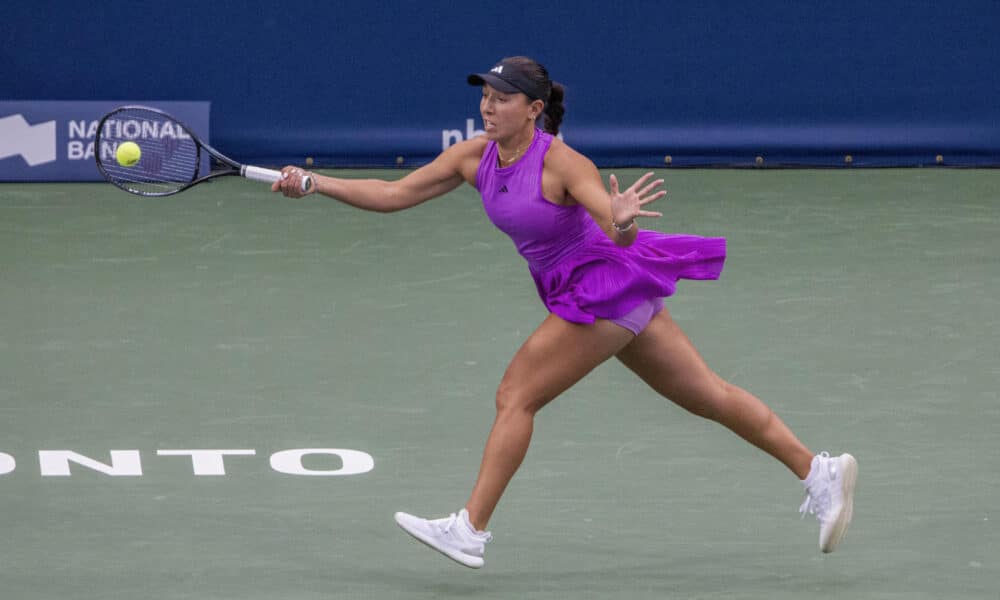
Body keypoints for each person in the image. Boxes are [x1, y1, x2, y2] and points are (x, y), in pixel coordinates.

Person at [272, 56, 858, 569]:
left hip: (600, 286)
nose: (488, 107)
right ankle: (819, 472)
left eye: (501, 99)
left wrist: (623, 217)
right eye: (484, 96)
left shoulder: (560, 163)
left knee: (516, 395)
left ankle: (469, 530)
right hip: (595, 290)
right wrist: (316, 183)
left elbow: (618, 231)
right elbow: (396, 194)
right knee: (708, 394)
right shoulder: (473, 157)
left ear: (532, 109)